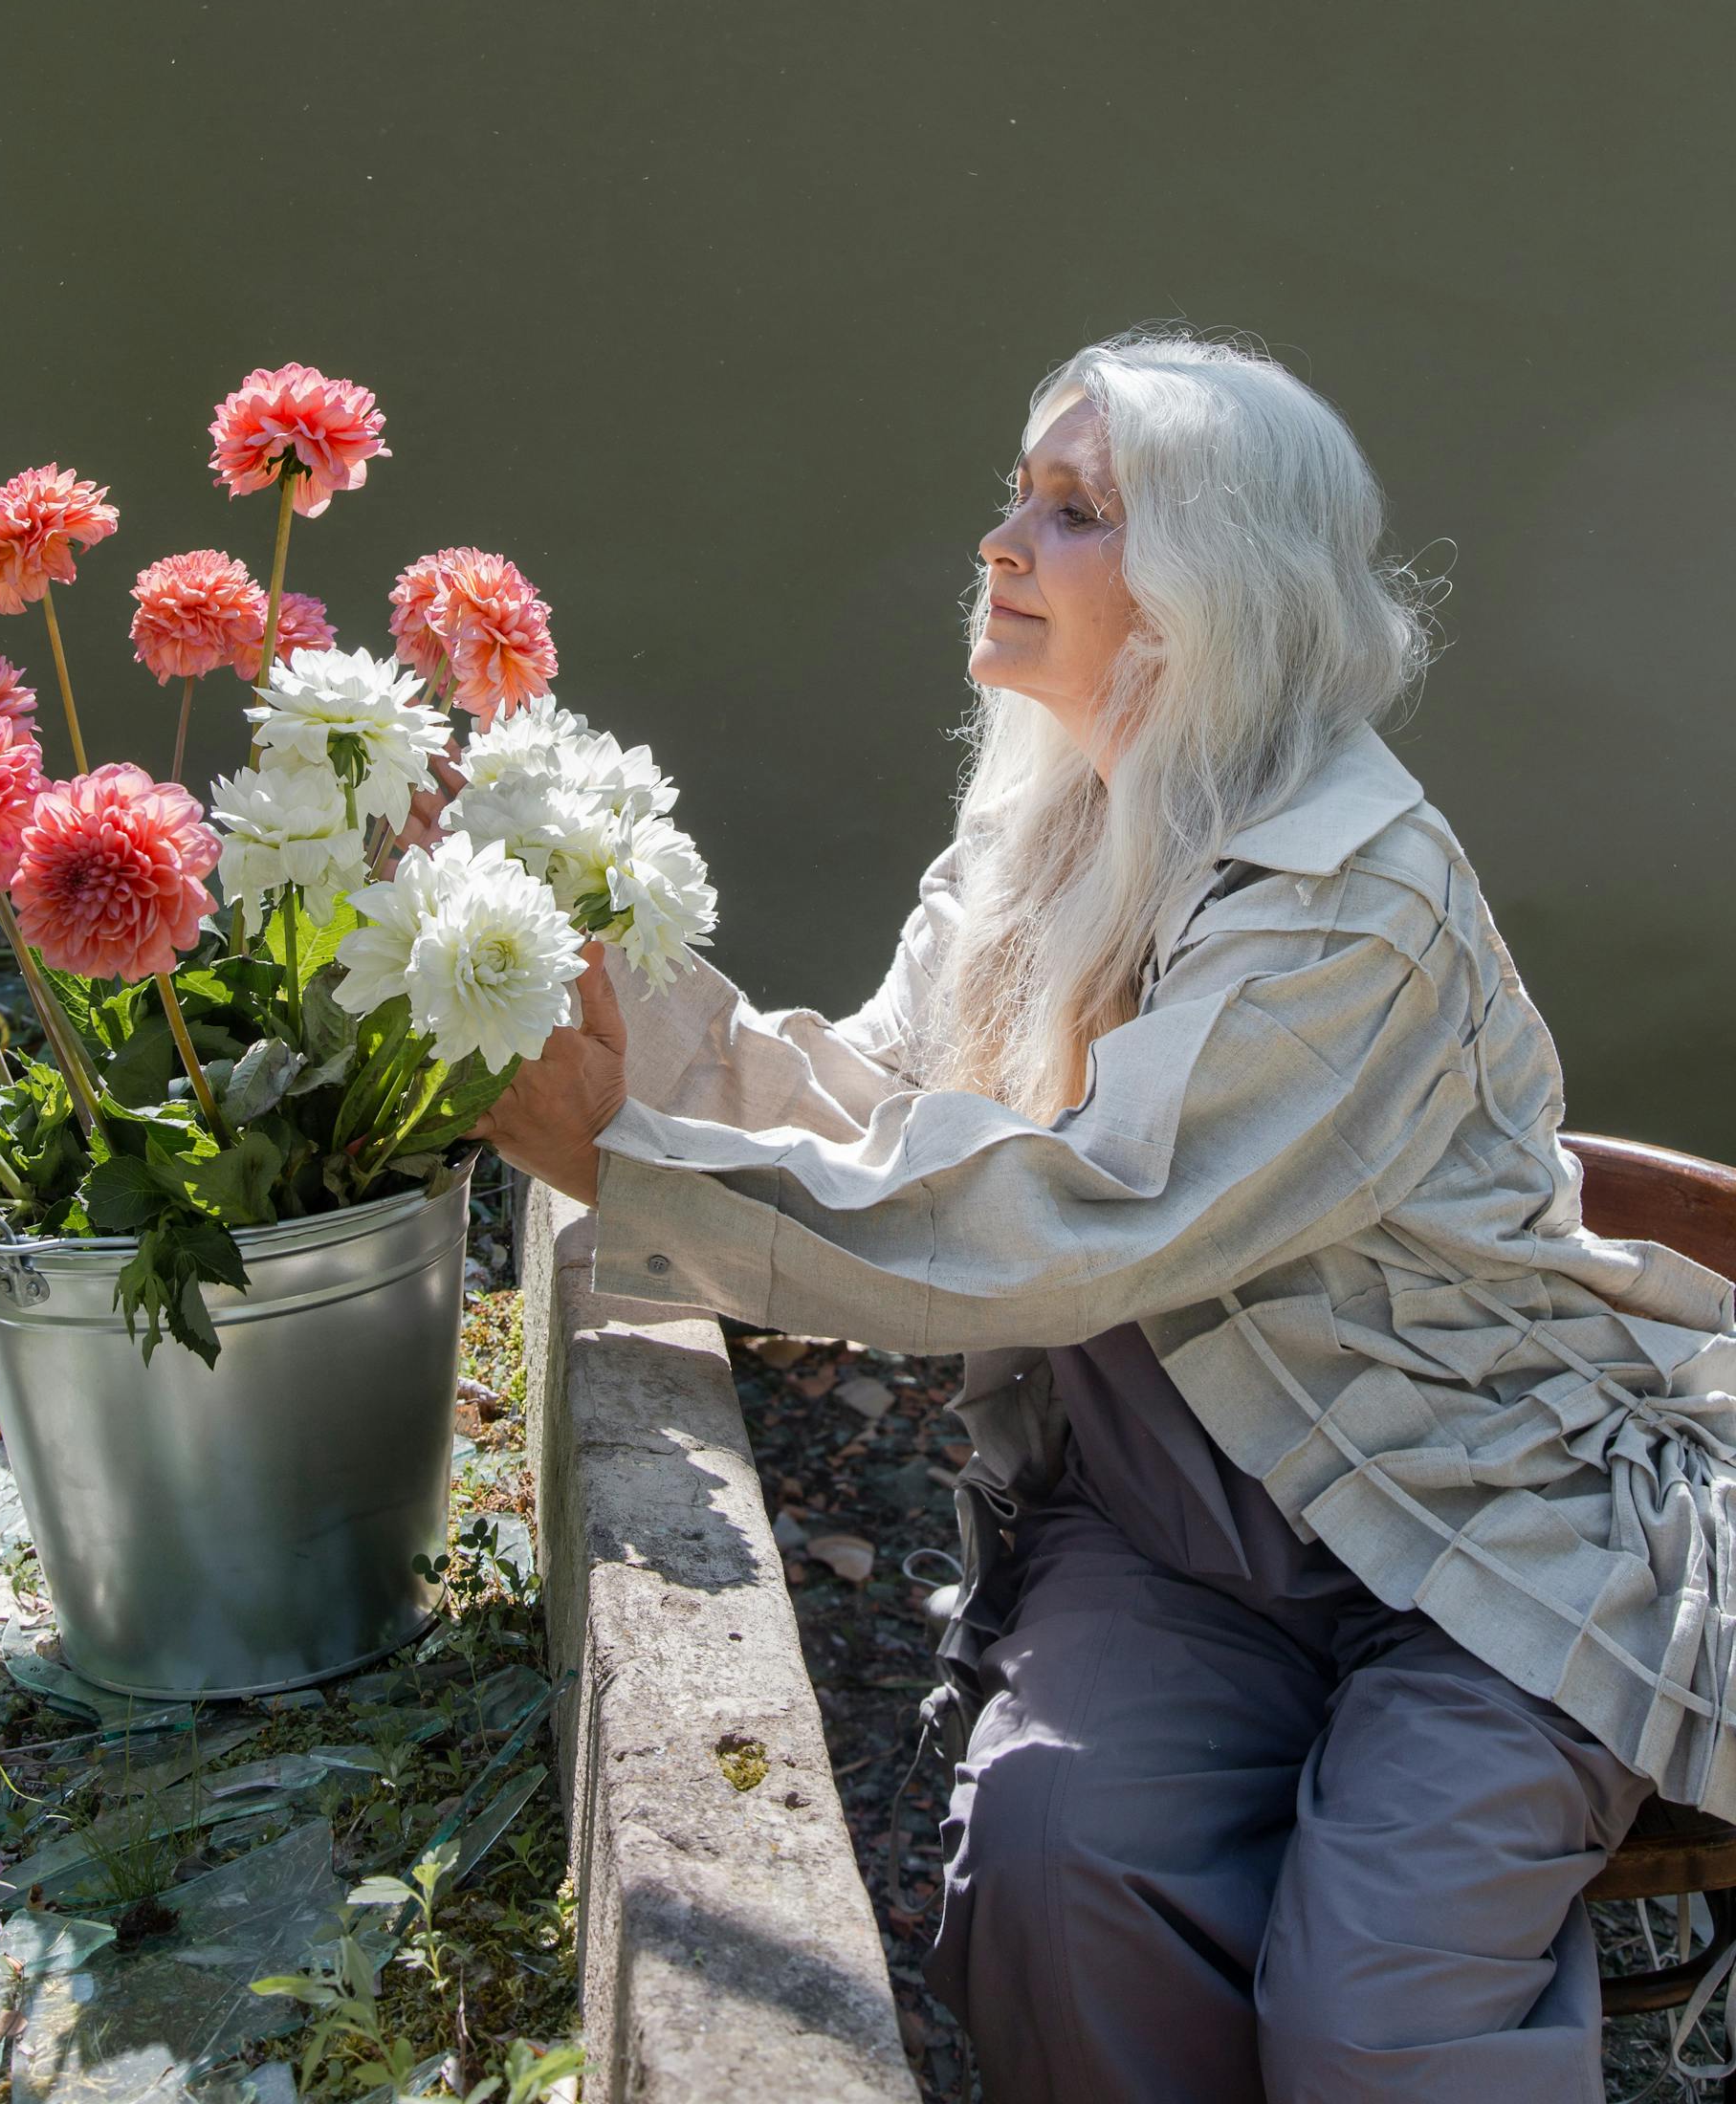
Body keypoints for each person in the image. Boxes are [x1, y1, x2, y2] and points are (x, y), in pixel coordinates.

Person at [459, 329, 1736, 2104]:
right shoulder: (1045, 828)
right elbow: (893, 1106)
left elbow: (1071, 1225)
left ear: (1218, 586)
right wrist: (584, 1003)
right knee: (1057, 1873)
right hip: (1178, 1540)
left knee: (1376, 2002)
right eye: (1020, 494)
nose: (1001, 541)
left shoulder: (1355, 900)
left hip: (1479, 1539)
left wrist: (629, 1166)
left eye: (1074, 512)